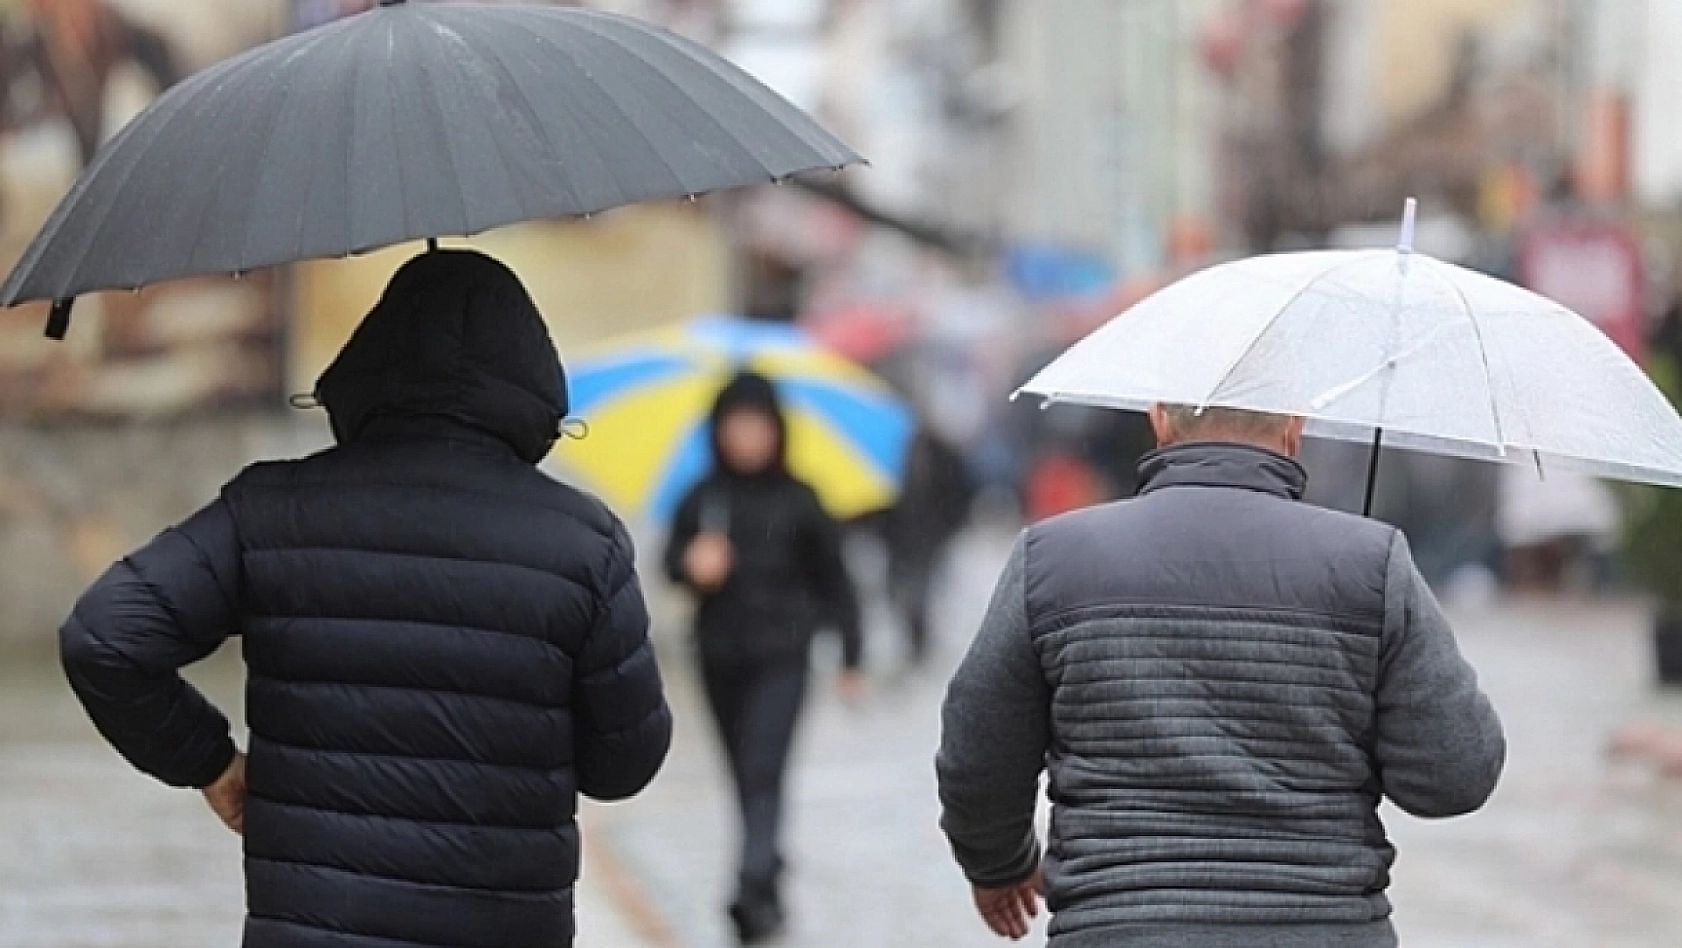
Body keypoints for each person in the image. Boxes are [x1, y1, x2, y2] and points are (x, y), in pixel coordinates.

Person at [59, 250, 673, 948]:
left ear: (368, 364)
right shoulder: (583, 544)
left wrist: (212, 764)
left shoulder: (271, 511)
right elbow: (624, 765)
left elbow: (105, 637)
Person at [936, 404, 1505, 946]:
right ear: (1295, 426)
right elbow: (1454, 775)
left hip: (1117, 926)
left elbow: (978, 750)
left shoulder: (1052, 557)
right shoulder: (1370, 560)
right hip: (1328, 927)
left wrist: (999, 864)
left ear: (1159, 419)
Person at [664, 371, 864, 944]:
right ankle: (767, 877)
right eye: (736, 425)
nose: (746, 436)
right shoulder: (703, 498)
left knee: (762, 769)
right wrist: (692, 565)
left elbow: (837, 582)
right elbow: (669, 562)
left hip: (784, 657)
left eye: (757, 424)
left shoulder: (801, 499)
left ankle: (751, 882)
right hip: (718, 656)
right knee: (741, 774)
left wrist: (852, 657)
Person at [884, 424, 973, 663]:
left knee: (920, 591)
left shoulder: (944, 456)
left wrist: (948, 526)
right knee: (898, 592)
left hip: (930, 535)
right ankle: (913, 639)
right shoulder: (890, 452)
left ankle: (919, 643)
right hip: (900, 537)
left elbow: (959, 494)